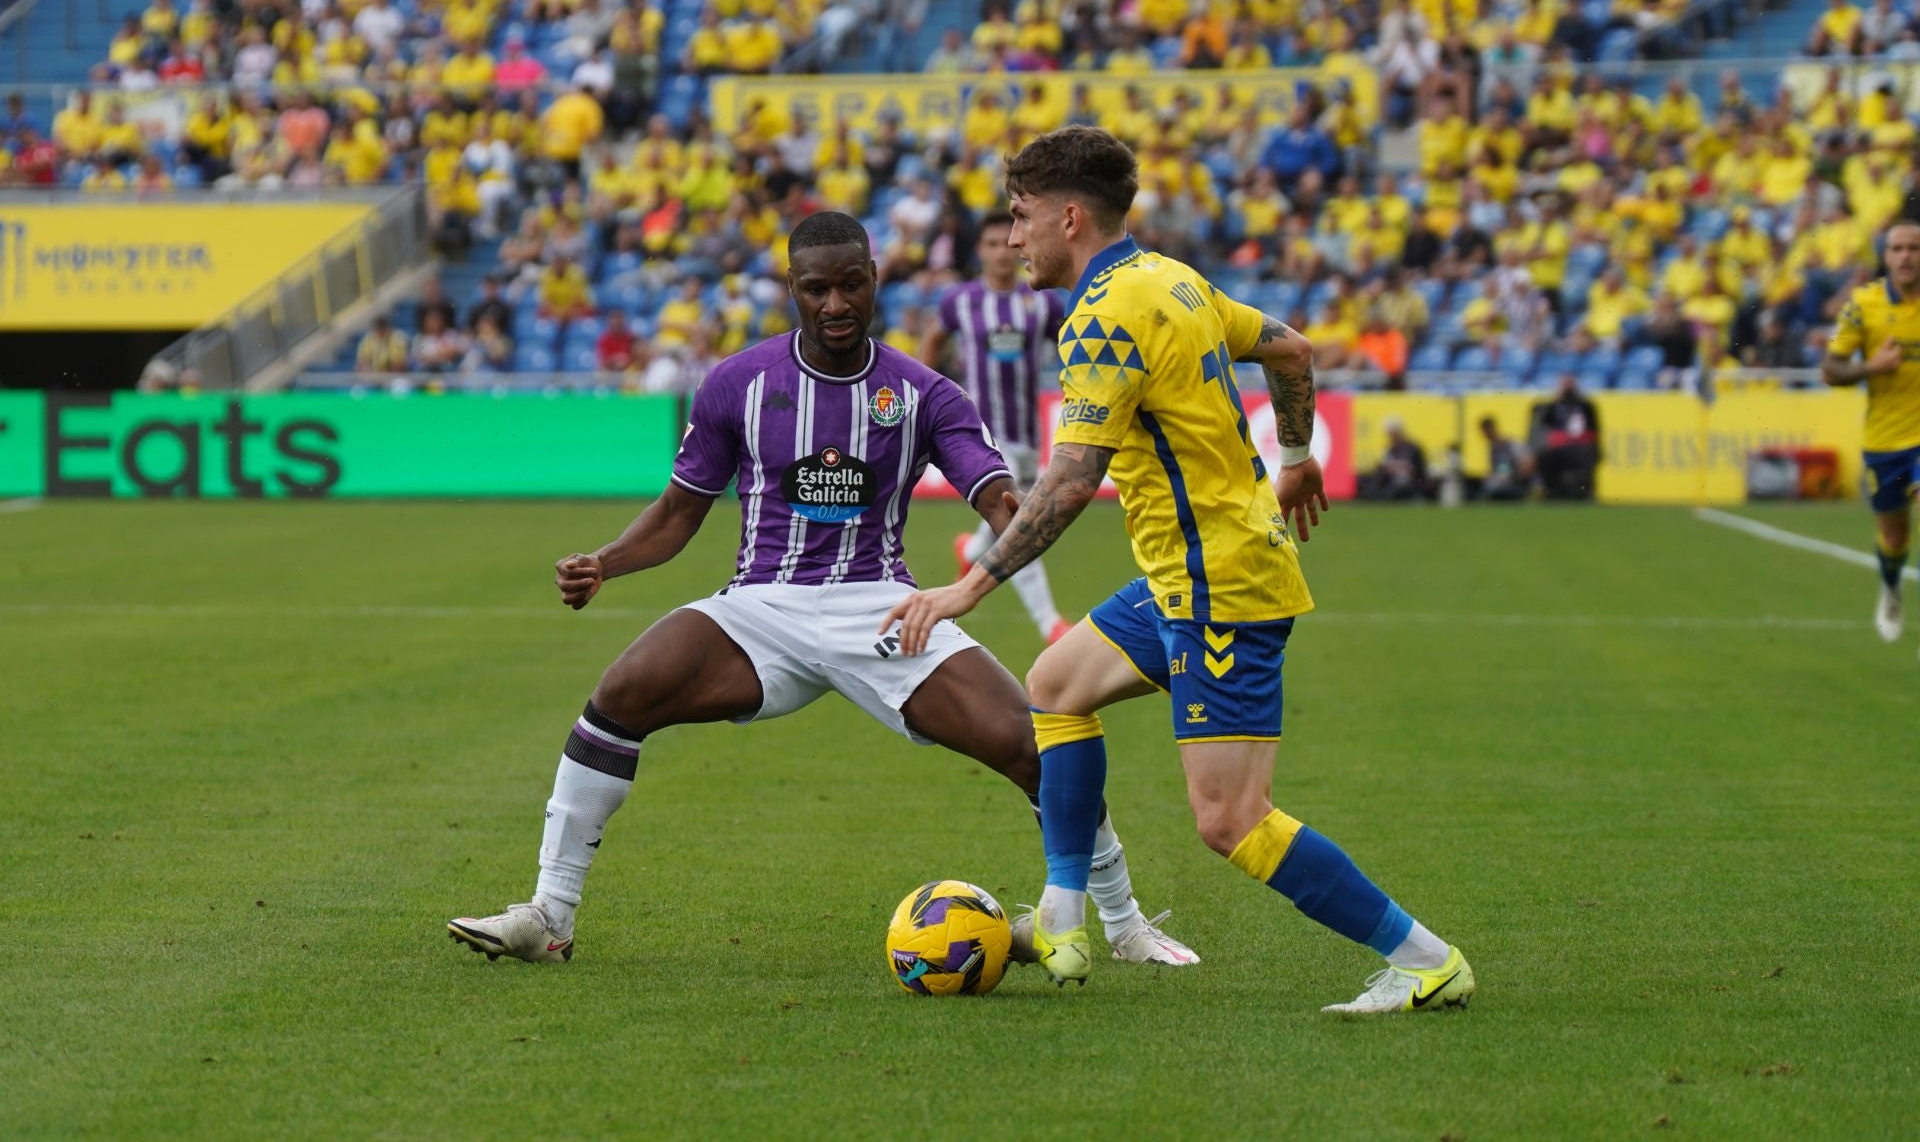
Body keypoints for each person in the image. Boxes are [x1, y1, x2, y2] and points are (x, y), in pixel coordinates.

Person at [448, 211, 1194, 969]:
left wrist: (1008, 518)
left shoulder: (924, 393)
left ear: (875, 280)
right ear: (792, 291)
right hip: (758, 608)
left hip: (881, 607)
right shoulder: (737, 384)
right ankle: (550, 914)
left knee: (1032, 745)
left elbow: (994, 491)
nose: (836, 303)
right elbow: (679, 512)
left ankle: (1126, 926)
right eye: (817, 289)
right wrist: (605, 563)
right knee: (622, 693)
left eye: (851, 285)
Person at [883, 129, 1472, 1013]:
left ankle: (1426, 959)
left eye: (1021, 218)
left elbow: (1074, 478)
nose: (1013, 240)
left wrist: (969, 585)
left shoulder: (1102, 316)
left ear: (1069, 217)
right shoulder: (1171, 278)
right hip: (1187, 576)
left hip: (1219, 586)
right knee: (1055, 686)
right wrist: (1300, 453)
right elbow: (1292, 349)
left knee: (1231, 820)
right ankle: (1064, 920)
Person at [920, 210, 1070, 644]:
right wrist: (925, 395)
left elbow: (1068, 346)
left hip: (1026, 430)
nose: (1000, 253)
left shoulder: (1042, 302)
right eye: (989, 244)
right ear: (979, 252)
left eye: (1006, 242)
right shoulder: (960, 301)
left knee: (1007, 512)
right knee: (1016, 518)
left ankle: (969, 551)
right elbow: (933, 341)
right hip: (979, 431)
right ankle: (1050, 624)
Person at [1822, 220, 1920, 646]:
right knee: (1894, 536)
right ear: (1886, 256)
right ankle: (1892, 587)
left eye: (1914, 248)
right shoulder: (1863, 305)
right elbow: (1831, 369)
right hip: (1884, 441)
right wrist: (1871, 368)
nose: (1906, 256)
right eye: (1897, 248)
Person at [1530, 374, 1600, 500]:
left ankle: (1583, 492)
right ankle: (1551, 491)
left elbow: (1594, 431)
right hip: (1561, 448)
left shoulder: (1586, 406)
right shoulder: (1553, 407)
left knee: (1586, 455)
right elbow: (1543, 427)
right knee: (1545, 457)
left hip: (1581, 447)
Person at [1358, 417, 1432, 501]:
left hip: (1408, 484)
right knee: (1369, 485)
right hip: (1391, 482)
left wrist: (1398, 468)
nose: (1390, 437)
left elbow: (1419, 471)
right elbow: (1382, 468)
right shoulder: (1390, 449)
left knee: (1393, 491)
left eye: (1392, 434)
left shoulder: (1413, 449)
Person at [1475, 416, 1532, 502]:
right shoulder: (1493, 448)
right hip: (1502, 482)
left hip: (1513, 483)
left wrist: (1517, 475)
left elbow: (1527, 461)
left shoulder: (1509, 445)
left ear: (1489, 429)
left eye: (1484, 431)